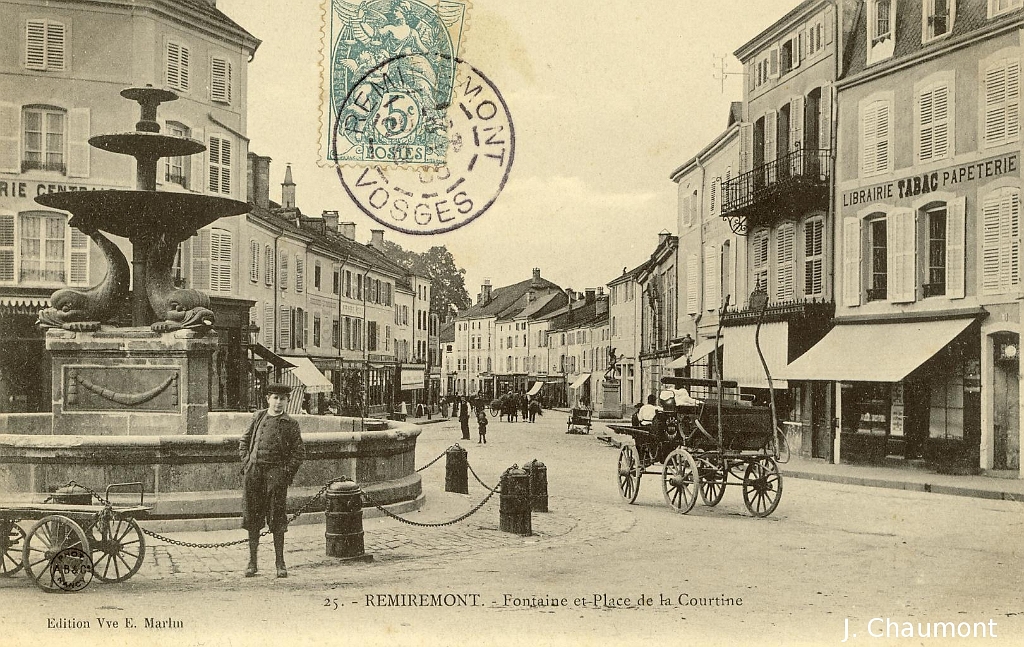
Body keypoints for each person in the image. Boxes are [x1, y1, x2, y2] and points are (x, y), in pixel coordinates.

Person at [239, 383, 305, 579]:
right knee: (252, 518)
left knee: (277, 520)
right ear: (268, 399)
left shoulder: (291, 424)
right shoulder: (258, 417)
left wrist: (285, 474)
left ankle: (280, 562)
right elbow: (244, 440)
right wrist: (246, 463)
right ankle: (252, 562)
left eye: (282, 399)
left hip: (275, 477)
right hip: (254, 475)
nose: (278, 402)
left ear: (288, 401)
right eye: (275, 398)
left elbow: (298, 452)